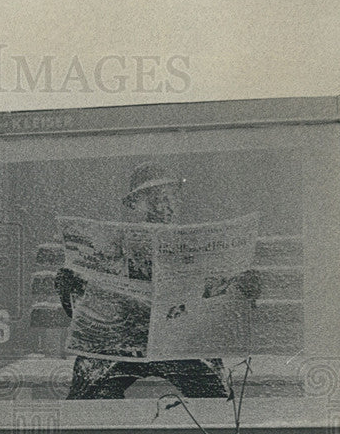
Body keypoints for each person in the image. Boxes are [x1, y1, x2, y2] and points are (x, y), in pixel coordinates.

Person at [56, 161, 260, 400]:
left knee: (214, 402)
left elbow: (223, 301)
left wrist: (243, 286)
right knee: (87, 397)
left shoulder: (198, 245)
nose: (164, 207)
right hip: (117, 345)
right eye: (153, 198)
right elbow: (82, 312)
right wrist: (69, 284)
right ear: (135, 205)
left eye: (170, 197)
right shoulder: (112, 246)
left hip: (182, 343)